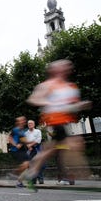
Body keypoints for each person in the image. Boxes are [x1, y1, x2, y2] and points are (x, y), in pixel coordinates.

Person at [26, 59, 92, 190]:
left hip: (64, 123)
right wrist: (47, 102)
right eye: (62, 65)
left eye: (68, 65)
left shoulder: (70, 86)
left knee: (53, 149)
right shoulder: (48, 85)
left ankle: (32, 172)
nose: (67, 67)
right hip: (55, 122)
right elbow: (33, 99)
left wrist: (81, 105)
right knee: (73, 144)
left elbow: (71, 106)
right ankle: (82, 176)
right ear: (54, 70)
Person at [8, 116, 29, 188]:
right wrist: (16, 145)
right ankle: (14, 173)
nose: (23, 121)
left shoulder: (23, 130)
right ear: (18, 122)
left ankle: (19, 182)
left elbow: (23, 141)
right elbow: (10, 138)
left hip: (23, 150)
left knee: (26, 166)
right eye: (21, 120)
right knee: (26, 164)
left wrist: (28, 144)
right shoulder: (15, 130)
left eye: (24, 120)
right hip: (16, 150)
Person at [24, 120, 43, 184]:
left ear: (34, 124)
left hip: (37, 148)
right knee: (30, 164)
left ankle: (40, 178)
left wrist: (31, 145)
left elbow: (38, 140)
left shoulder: (38, 131)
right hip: (30, 149)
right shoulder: (26, 133)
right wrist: (28, 146)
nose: (30, 124)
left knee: (38, 163)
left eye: (31, 123)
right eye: (29, 124)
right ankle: (33, 179)